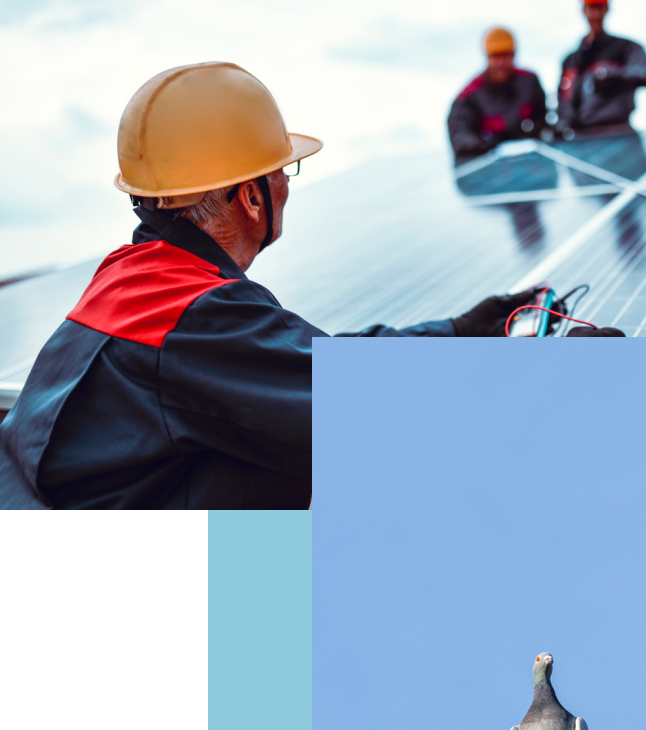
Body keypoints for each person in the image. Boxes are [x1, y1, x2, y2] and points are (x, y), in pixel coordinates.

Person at [0, 61, 574, 512]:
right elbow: (375, 415)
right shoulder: (199, 316)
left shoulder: (136, 276)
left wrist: (456, 332)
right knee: (331, 468)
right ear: (250, 198)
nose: (286, 186)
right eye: (282, 171)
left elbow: (310, 368)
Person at [557, 0, 646, 134]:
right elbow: (563, 103)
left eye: (599, 7)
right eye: (591, 7)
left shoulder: (625, 49)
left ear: (607, 8)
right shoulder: (571, 60)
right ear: (583, 9)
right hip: (577, 140)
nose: (595, 14)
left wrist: (613, 76)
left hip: (618, 136)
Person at [447, 28, 549, 162]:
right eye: (495, 56)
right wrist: (488, 146)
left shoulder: (529, 83)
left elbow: (543, 120)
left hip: (529, 163)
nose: (500, 63)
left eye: (505, 55)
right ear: (487, 56)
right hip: (488, 169)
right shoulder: (470, 94)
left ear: (513, 55)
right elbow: (459, 134)